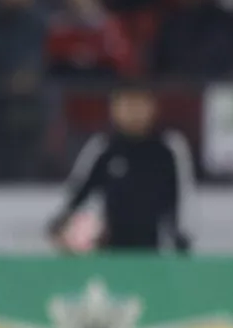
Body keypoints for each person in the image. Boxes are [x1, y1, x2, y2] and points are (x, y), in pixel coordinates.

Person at [48, 84, 193, 253]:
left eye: (139, 104)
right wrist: (63, 224)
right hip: (109, 251)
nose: (133, 112)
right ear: (114, 108)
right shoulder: (103, 146)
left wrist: (180, 239)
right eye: (126, 104)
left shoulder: (170, 147)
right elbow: (78, 193)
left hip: (156, 252)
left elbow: (184, 198)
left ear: (153, 107)